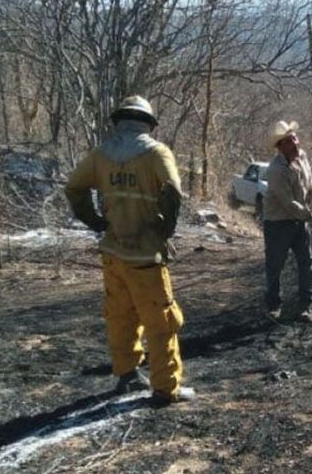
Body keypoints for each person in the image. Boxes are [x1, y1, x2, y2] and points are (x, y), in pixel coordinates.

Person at [65, 95, 194, 406]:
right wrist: (164, 231)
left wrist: (96, 222)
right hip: (145, 256)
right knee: (161, 322)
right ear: (148, 123)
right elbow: (174, 192)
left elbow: (73, 187)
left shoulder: (101, 154)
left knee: (120, 316)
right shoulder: (156, 153)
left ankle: (127, 374)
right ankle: (166, 388)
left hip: (113, 252)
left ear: (119, 120)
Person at [263, 120, 312, 323]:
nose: (295, 142)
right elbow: (288, 204)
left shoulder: (302, 157)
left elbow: (309, 181)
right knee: (275, 266)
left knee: (306, 264)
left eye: (295, 138)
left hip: (299, 221)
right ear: (280, 146)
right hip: (278, 223)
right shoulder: (276, 170)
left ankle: (305, 307)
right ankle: (274, 307)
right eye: (290, 140)